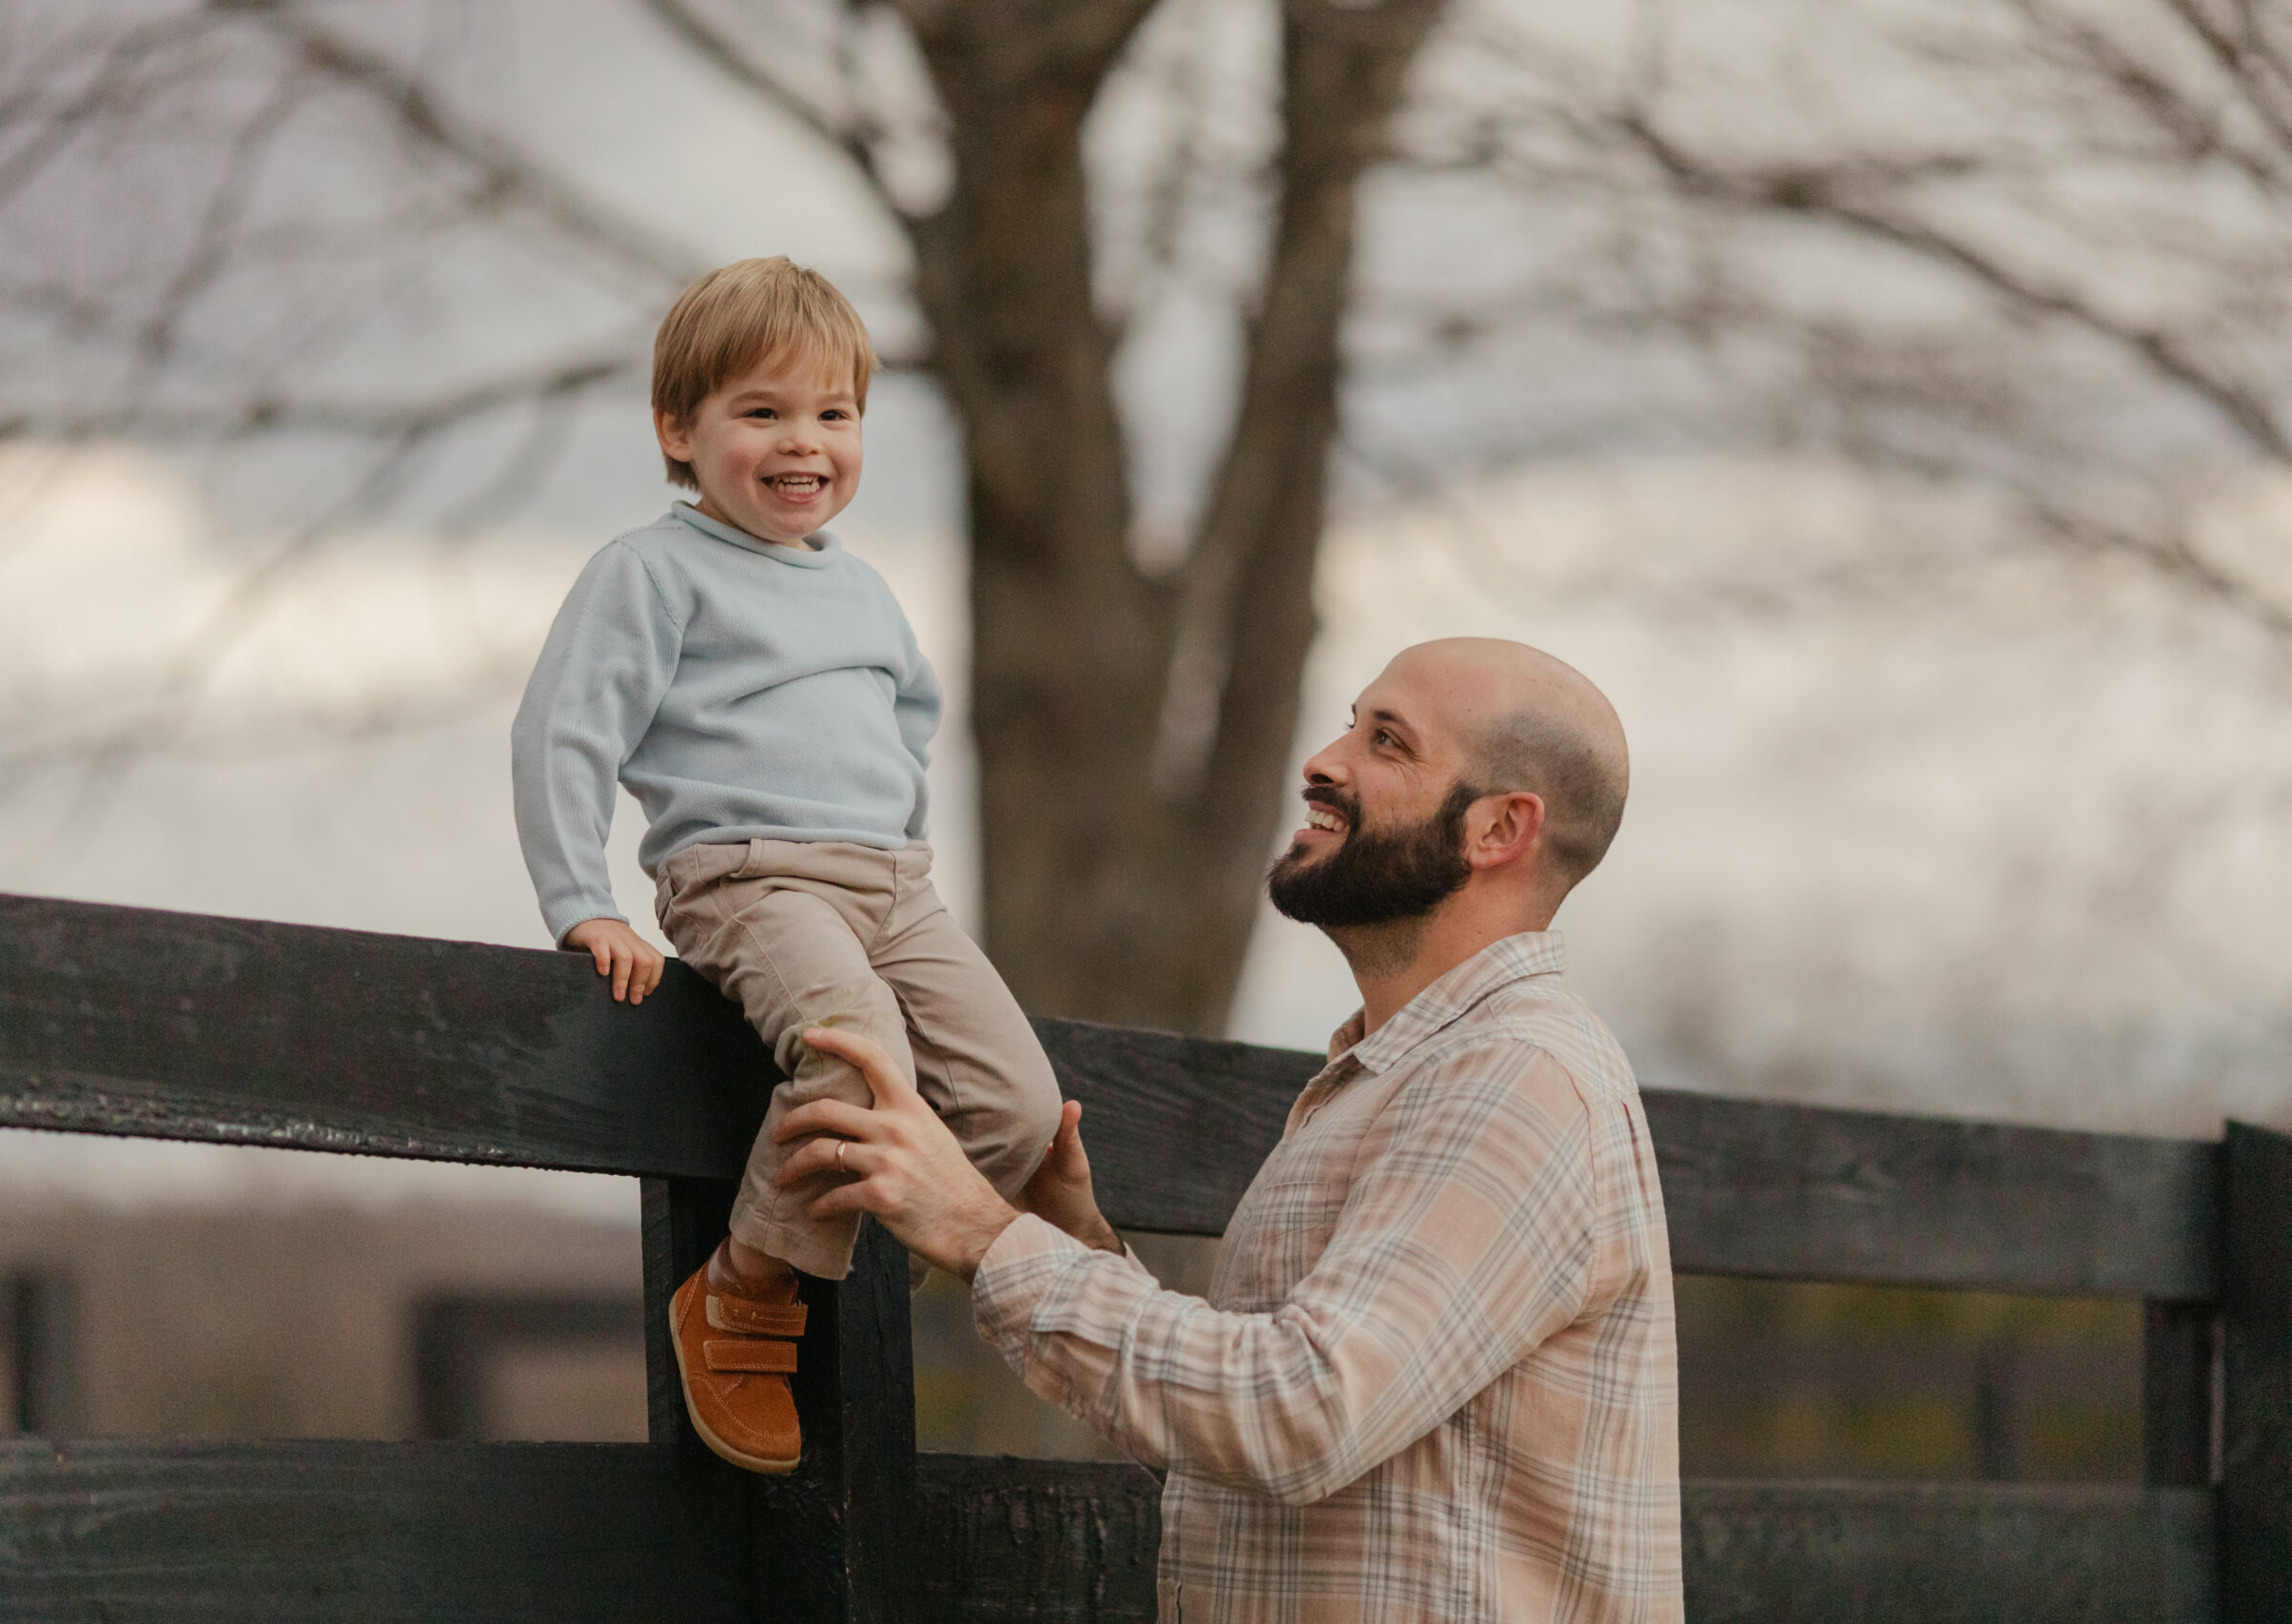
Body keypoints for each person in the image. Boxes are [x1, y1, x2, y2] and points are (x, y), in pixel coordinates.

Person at [776, 638, 1683, 1622]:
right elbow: (1243, 1429)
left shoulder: (1514, 1077)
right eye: (1349, 722)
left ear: (1499, 828)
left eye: (1386, 742)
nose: (1324, 760)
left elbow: (1296, 1416)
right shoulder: (1403, 1074)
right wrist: (1082, 1250)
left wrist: (980, 1233)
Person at [510, 257, 1061, 1477]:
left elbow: (903, 729)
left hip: (891, 883)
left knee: (1017, 1105)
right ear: (679, 430)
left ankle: (912, 1219)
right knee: (858, 1056)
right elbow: (565, 731)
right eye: (761, 413)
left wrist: (897, 861)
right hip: (750, 875)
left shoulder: (862, 591)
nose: (802, 443)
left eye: (833, 414)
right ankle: (746, 1285)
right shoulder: (651, 573)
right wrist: (581, 902)